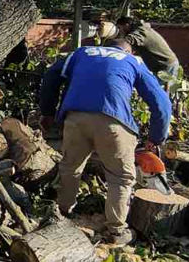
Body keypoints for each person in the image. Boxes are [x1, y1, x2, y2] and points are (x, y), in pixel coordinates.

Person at [38, 32, 172, 242]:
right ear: (129, 49)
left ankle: (61, 215)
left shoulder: (80, 53)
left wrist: (47, 112)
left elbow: (51, 76)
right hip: (114, 122)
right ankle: (116, 231)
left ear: (106, 45)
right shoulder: (133, 60)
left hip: (75, 119)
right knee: (120, 177)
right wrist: (155, 138)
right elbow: (161, 104)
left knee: (71, 167)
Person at [108, 16, 181, 80]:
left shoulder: (141, 32)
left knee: (158, 91)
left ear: (126, 25)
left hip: (166, 65)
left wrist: (108, 48)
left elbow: (127, 41)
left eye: (119, 28)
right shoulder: (141, 31)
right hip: (161, 65)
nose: (119, 31)